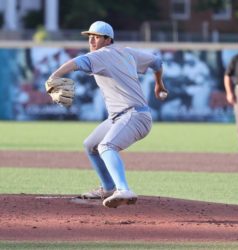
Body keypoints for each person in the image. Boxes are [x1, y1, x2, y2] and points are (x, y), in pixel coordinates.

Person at [47, 21, 168, 208]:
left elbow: (75, 63)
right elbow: (157, 62)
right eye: (89, 37)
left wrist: (53, 76)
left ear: (108, 39)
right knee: (91, 145)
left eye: (96, 37)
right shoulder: (127, 52)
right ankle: (108, 188)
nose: (91, 41)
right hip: (120, 117)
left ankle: (123, 189)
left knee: (107, 146)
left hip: (134, 115)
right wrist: (159, 83)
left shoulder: (100, 56)